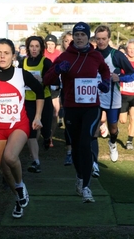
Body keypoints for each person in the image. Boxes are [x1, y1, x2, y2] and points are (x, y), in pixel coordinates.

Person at [0, 38, 44, 219]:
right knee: (4, 169)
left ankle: (20, 186)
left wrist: (37, 116)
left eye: (6, 53)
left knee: (10, 157)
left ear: (13, 55)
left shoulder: (22, 74)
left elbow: (40, 91)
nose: (2, 56)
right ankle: (18, 199)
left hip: (19, 125)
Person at [44, 22, 111, 203]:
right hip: (72, 108)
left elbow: (105, 71)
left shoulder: (96, 55)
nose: (80, 38)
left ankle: (87, 187)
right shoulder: (65, 56)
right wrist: (57, 69)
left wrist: (105, 83)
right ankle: (80, 177)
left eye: (83, 35)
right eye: (77, 34)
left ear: (88, 37)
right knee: (75, 145)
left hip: (91, 107)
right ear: (73, 37)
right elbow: (46, 78)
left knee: (85, 143)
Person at [93, 25, 134, 173]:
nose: (101, 42)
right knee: (93, 129)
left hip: (113, 98)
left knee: (113, 128)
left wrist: (119, 77)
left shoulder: (116, 55)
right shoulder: (92, 54)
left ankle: (112, 143)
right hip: (95, 98)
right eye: (98, 39)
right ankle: (94, 162)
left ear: (109, 39)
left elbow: (133, 74)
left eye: (103, 39)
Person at [22, 36, 54, 173]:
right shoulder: (22, 62)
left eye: (37, 46)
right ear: (28, 48)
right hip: (28, 100)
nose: (34, 49)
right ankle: (36, 161)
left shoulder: (46, 62)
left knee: (45, 129)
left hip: (44, 99)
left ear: (41, 48)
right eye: (31, 46)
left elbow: (55, 79)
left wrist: (43, 79)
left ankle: (47, 138)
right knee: (31, 131)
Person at [59, 31, 74, 166]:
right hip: (66, 93)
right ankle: (69, 152)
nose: (69, 43)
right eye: (66, 40)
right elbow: (54, 74)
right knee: (68, 123)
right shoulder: (62, 57)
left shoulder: (83, 55)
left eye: (71, 40)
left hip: (81, 94)